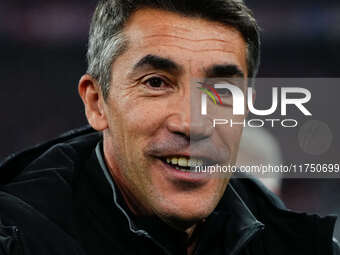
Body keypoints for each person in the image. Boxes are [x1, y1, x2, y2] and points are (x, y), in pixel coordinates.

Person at [0, 0, 339, 254]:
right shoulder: (20, 238)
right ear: (96, 103)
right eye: (157, 82)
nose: (193, 124)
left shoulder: (299, 245)